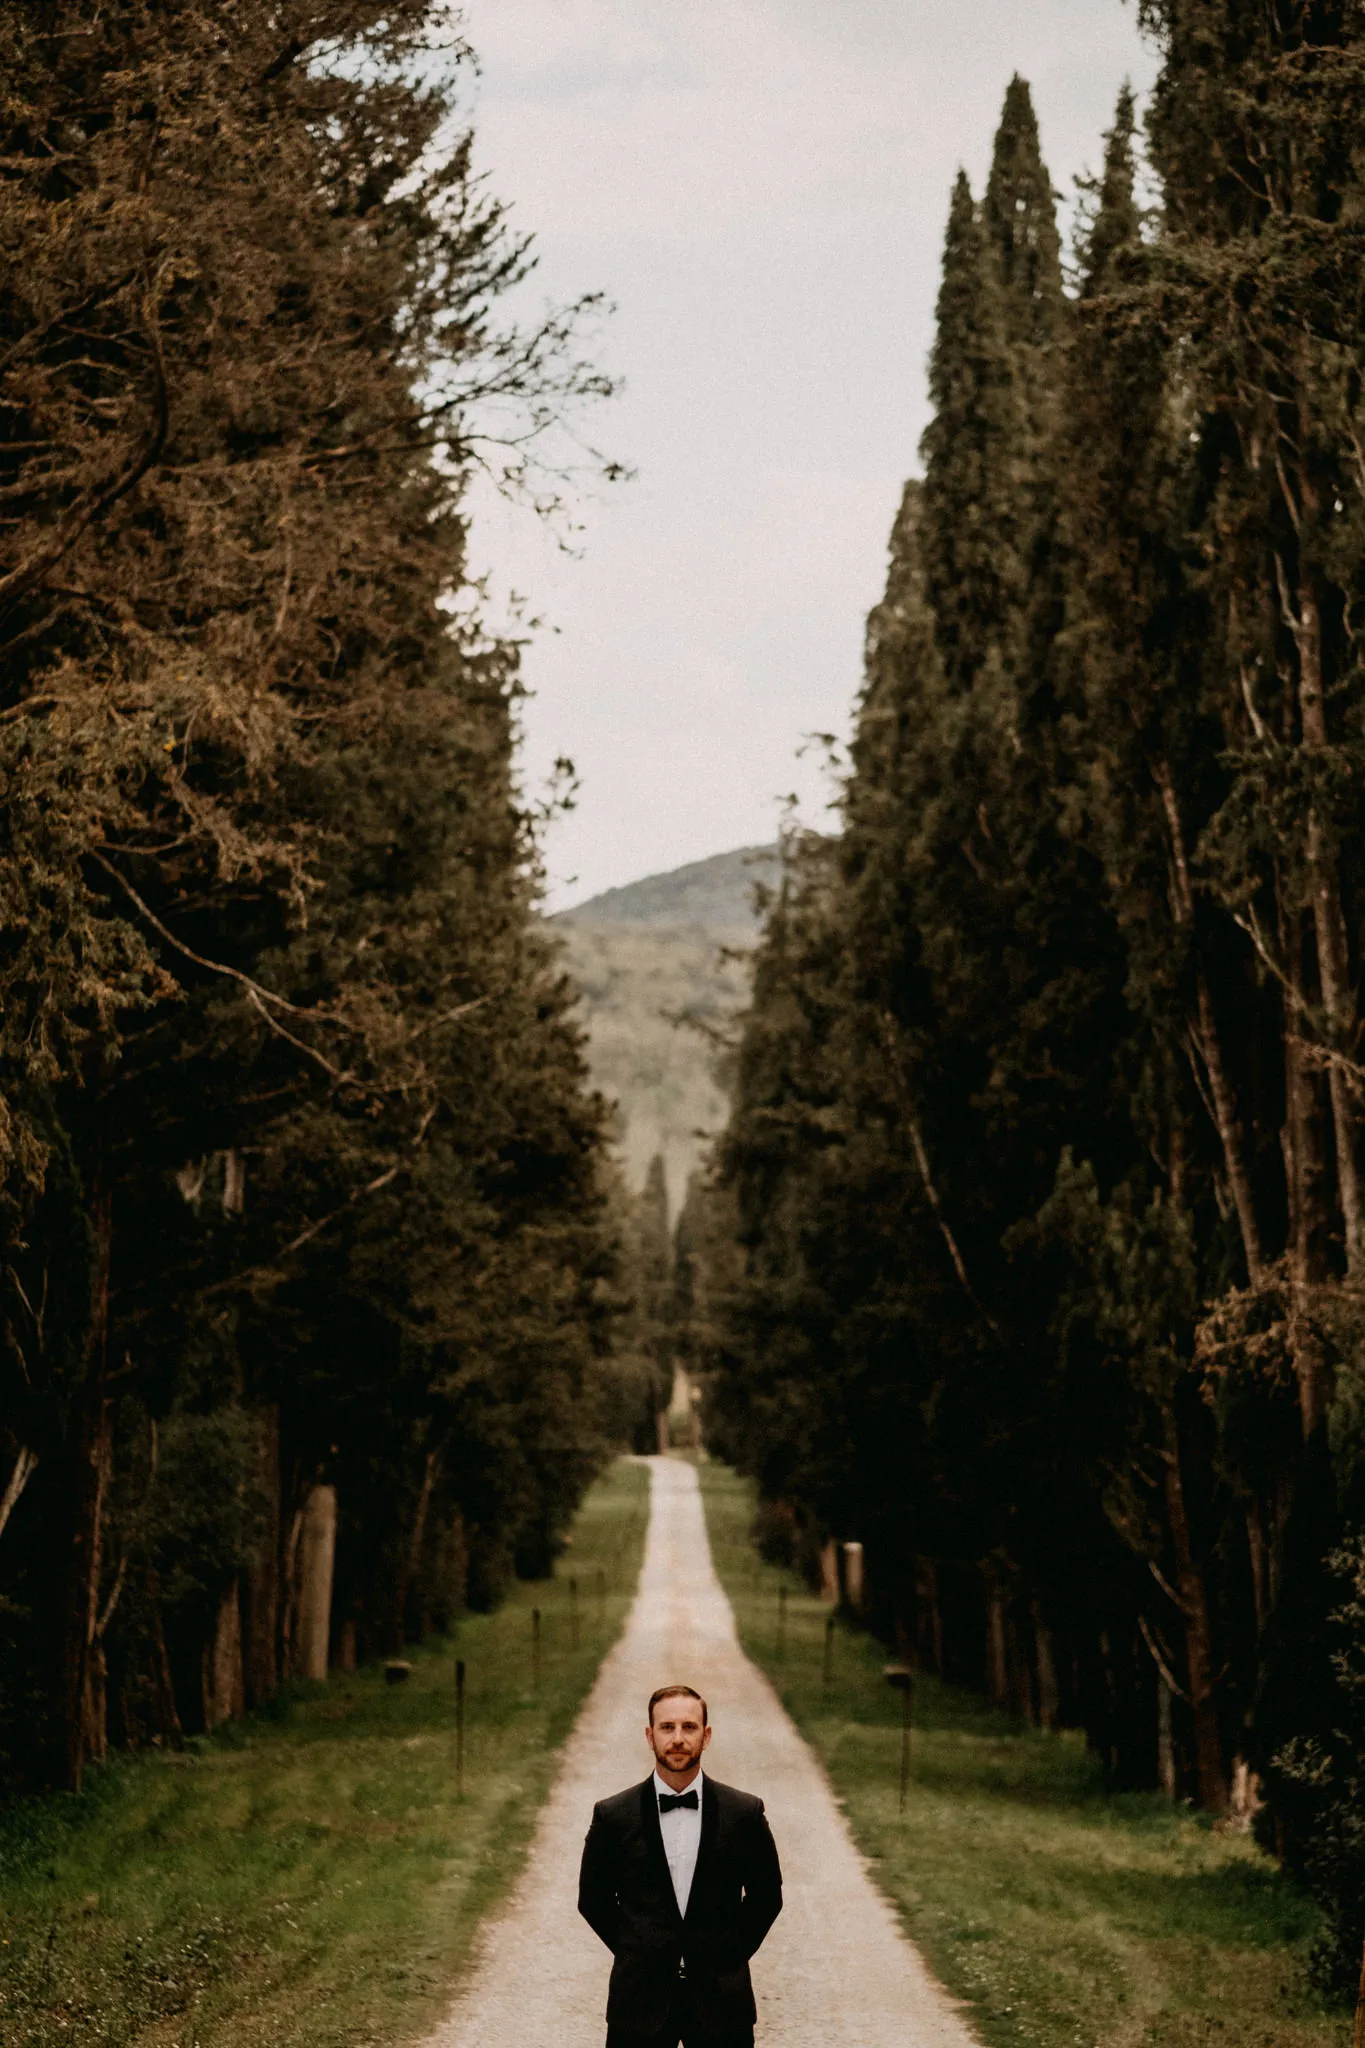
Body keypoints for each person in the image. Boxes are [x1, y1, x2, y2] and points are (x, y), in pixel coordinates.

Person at [577, 1683, 783, 2048]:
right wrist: (638, 1948)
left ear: (706, 1736)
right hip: (638, 2000)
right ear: (649, 1735)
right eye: (666, 1727)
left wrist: (727, 1953)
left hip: (722, 2002)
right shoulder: (612, 1816)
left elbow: (767, 1897)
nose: (677, 1738)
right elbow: (592, 1899)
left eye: (688, 1728)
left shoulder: (745, 1814)